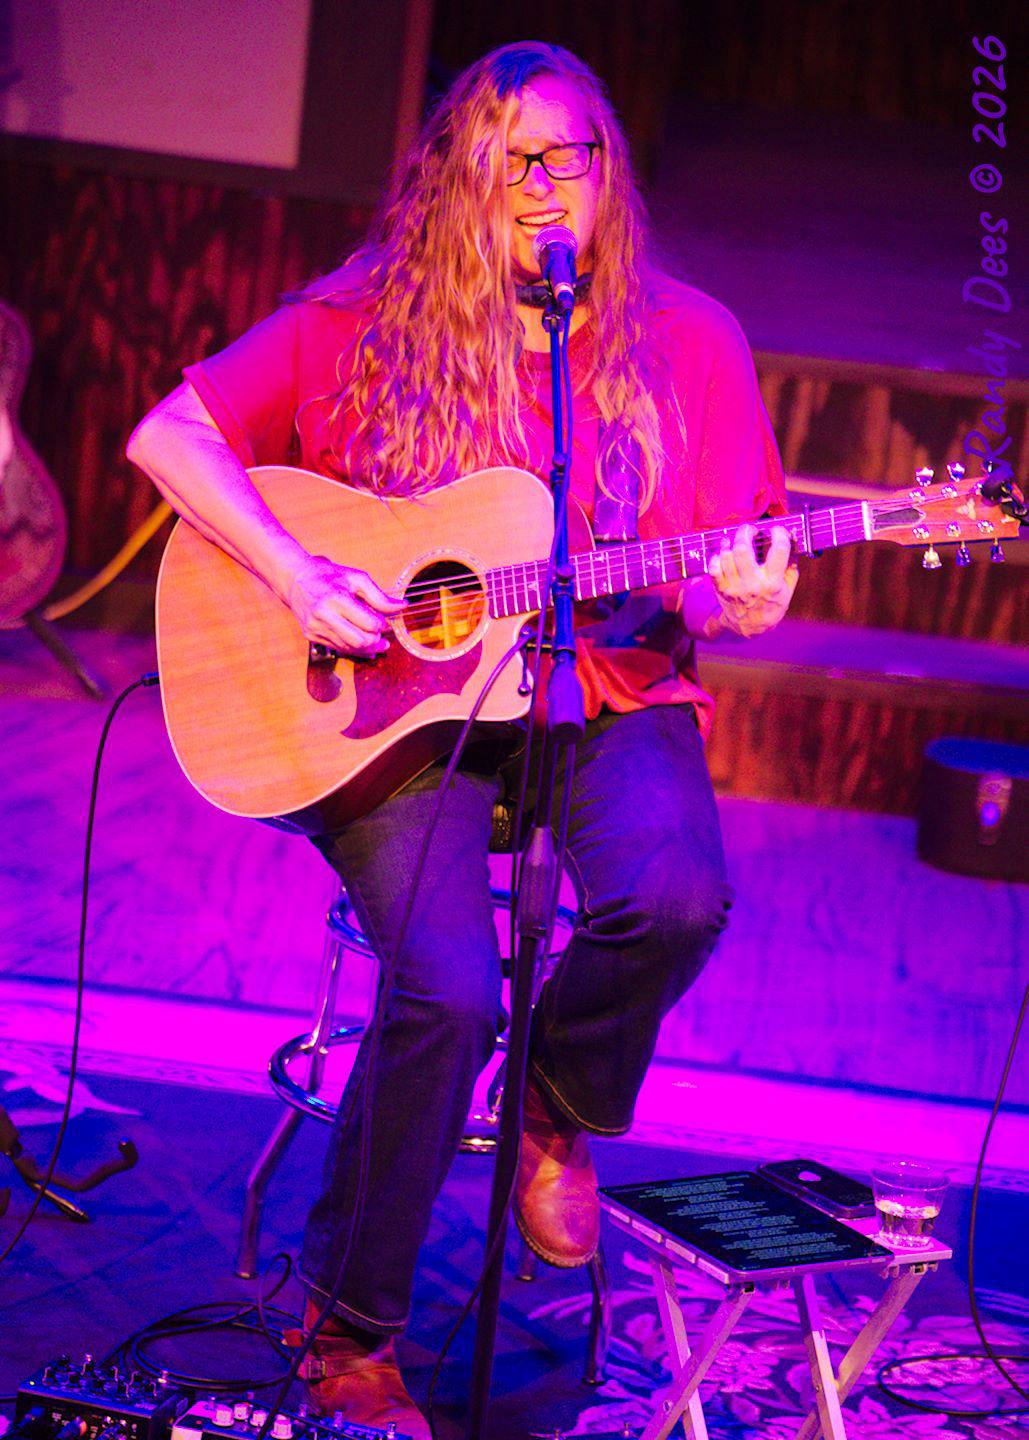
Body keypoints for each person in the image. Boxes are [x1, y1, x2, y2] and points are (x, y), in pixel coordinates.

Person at [127, 41, 797, 1437]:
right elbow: (169, 439)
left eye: (575, 159)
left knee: (675, 894)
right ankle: (347, 1330)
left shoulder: (693, 342)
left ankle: (556, 1102)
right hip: (393, 719)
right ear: (456, 189)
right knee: (443, 990)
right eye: (514, 167)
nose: (550, 192)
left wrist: (743, 600)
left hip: (603, 685)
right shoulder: (361, 318)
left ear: (611, 172)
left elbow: (731, 577)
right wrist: (302, 574)